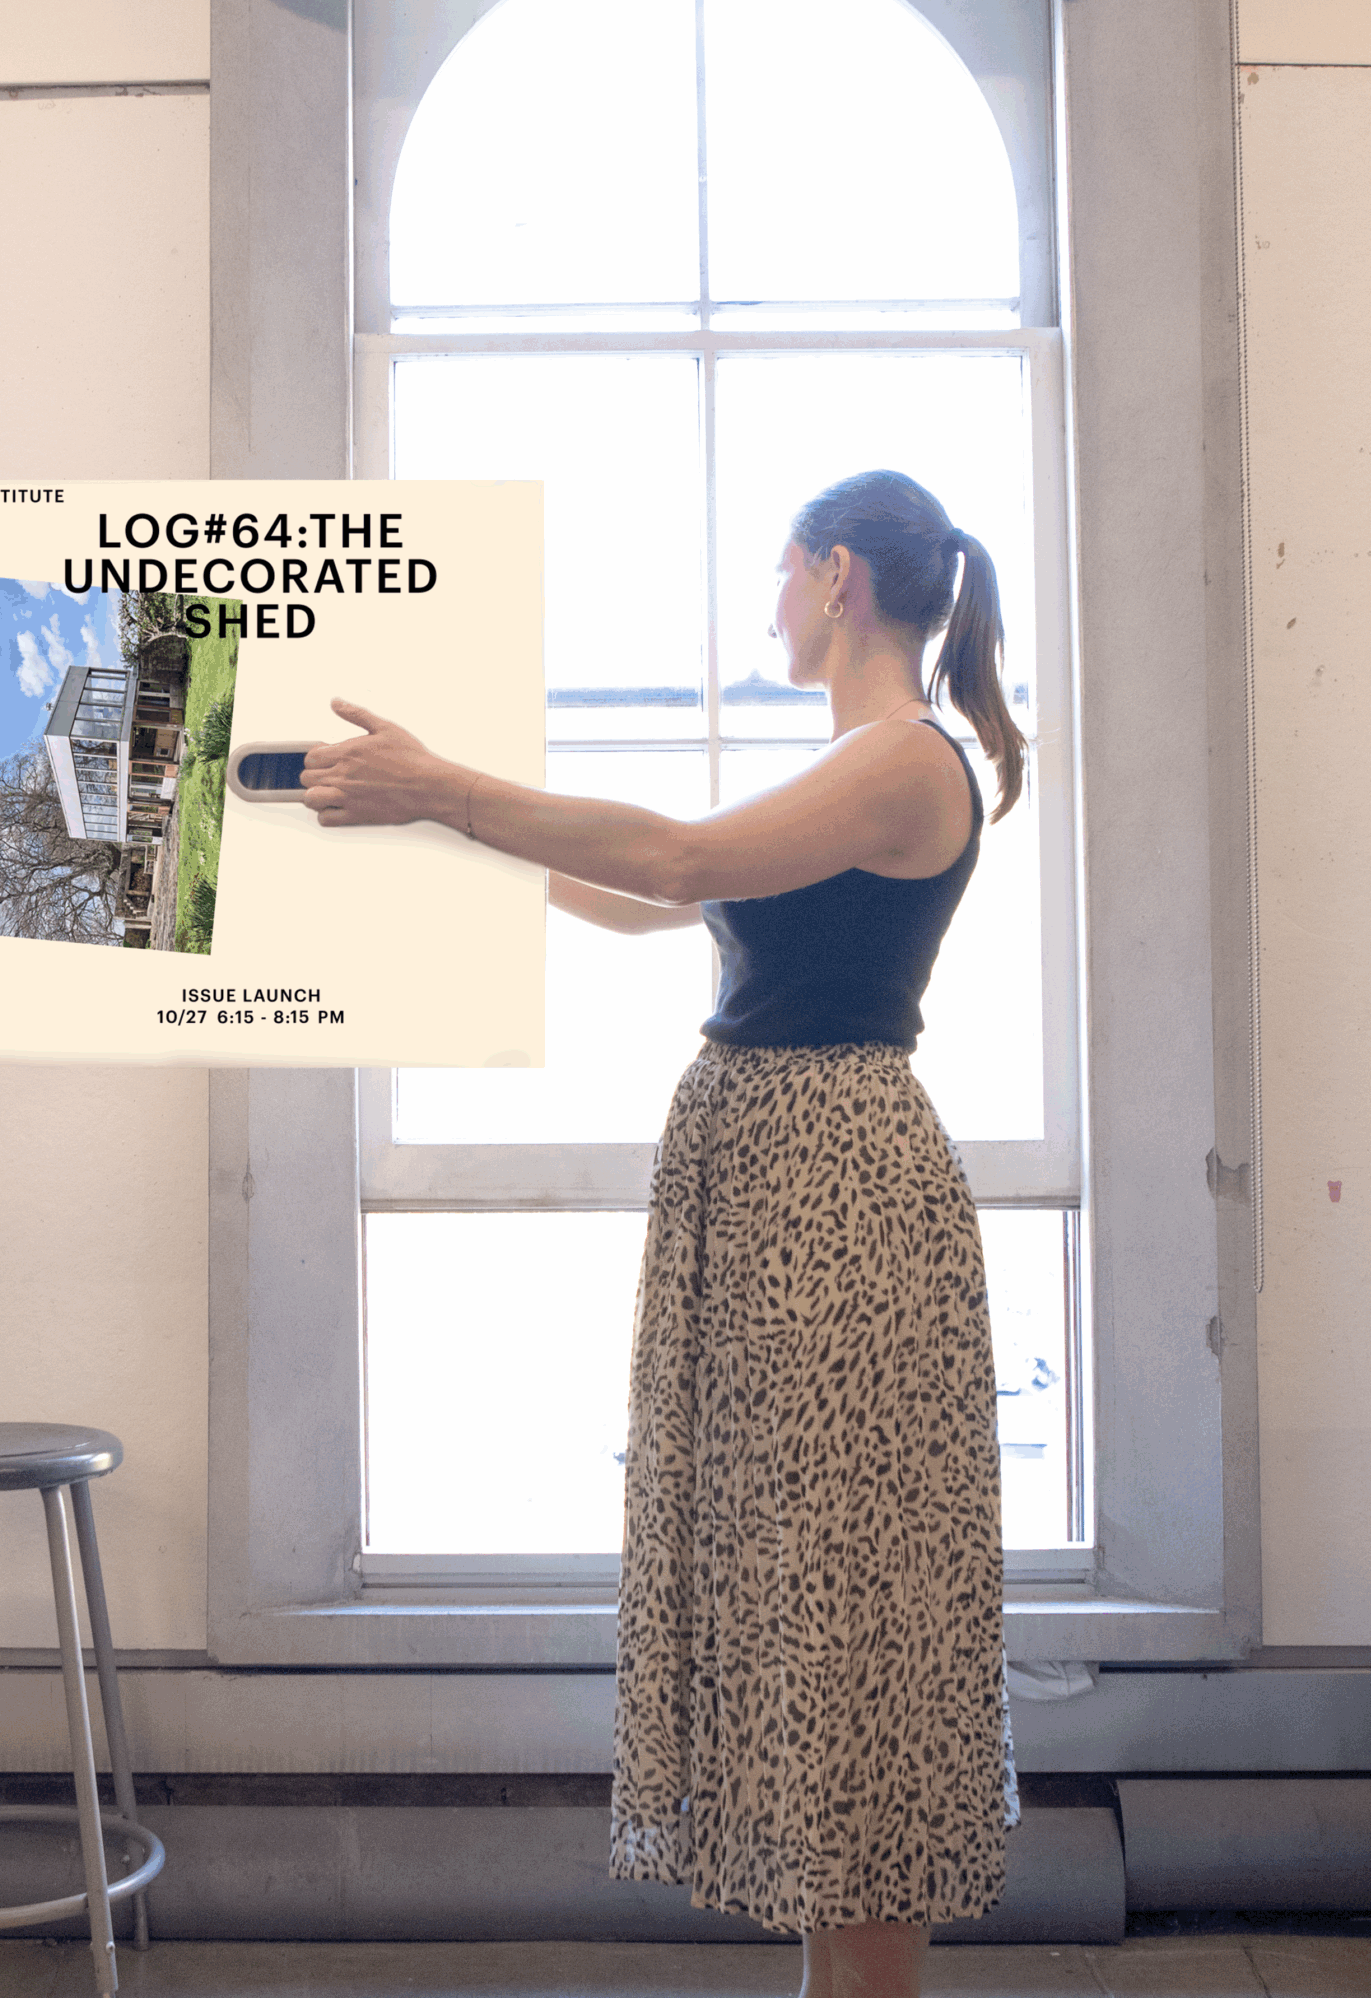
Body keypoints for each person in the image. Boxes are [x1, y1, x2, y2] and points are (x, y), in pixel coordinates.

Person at [300, 469, 1026, 1998]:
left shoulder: (902, 761)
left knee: (846, 1620)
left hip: (836, 1207)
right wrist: (436, 830)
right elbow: (644, 899)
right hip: (777, 1192)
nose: (767, 607)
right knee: (803, 1605)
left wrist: (445, 787)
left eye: (777, 576)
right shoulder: (850, 769)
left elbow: (679, 863)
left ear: (837, 578)